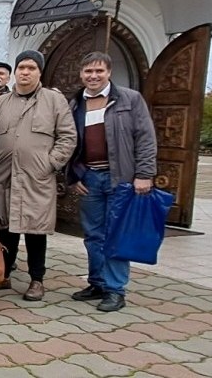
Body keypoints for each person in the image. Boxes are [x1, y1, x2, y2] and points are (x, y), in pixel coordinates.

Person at [0, 51, 77, 302]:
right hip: (3, 177)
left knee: (35, 232)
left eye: (31, 68)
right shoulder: (0, 103)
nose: (25, 72)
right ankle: (3, 275)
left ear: (40, 72)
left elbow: (68, 137)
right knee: (5, 229)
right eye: (21, 67)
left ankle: (37, 279)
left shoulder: (54, 101)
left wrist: (50, 163)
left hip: (37, 178)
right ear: (15, 71)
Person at [67, 51, 156, 312]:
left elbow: (146, 138)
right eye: (88, 71)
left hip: (122, 179)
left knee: (116, 235)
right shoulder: (76, 104)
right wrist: (73, 174)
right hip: (90, 178)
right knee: (93, 235)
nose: (93, 76)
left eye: (99, 71)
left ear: (109, 73)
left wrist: (144, 174)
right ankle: (97, 283)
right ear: (81, 74)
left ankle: (115, 290)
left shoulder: (129, 99)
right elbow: (70, 143)